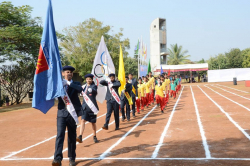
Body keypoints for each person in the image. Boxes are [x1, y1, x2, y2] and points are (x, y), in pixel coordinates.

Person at [52, 66, 83, 166]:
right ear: (63, 74)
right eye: (67, 72)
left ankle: (72, 158)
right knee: (60, 135)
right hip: (61, 112)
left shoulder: (76, 83)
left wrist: (69, 83)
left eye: (71, 72)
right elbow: (54, 94)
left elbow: (79, 89)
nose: (69, 73)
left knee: (72, 136)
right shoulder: (59, 84)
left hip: (72, 113)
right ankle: (57, 159)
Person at [76, 74, 99, 144]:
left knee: (93, 122)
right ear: (85, 80)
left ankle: (94, 136)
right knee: (83, 120)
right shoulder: (84, 87)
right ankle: (80, 136)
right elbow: (80, 93)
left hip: (92, 107)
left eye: (90, 79)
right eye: (87, 79)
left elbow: (95, 91)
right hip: (85, 107)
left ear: (92, 80)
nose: (88, 80)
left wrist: (91, 90)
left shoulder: (94, 86)